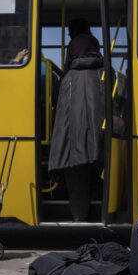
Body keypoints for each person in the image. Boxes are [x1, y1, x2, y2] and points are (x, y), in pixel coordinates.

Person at [48, 28, 105, 222]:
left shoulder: (67, 79)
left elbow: (59, 109)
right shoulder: (105, 73)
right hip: (101, 142)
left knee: (76, 179)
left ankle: (79, 218)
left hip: (71, 144)